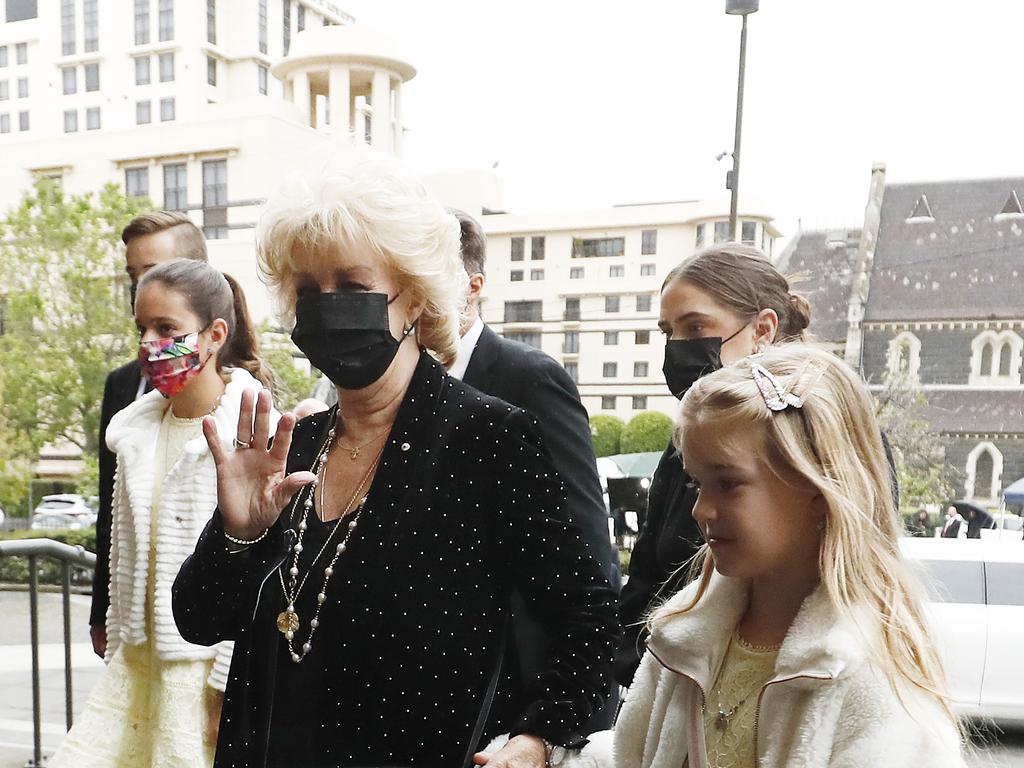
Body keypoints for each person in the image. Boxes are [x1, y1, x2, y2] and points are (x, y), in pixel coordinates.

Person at [171, 145, 618, 768]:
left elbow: (590, 620)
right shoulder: (293, 444)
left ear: (413, 296)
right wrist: (239, 536)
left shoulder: (488, 438)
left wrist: (538, 739)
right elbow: (197, 618)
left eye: (352, 285)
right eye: (307, 289)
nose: (327, 306)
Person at [614, 344, 965, 768]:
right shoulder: (681, 634)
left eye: (728, 483)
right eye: (695, 483)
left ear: (818, 488)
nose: (700, 510)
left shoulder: (875, 681)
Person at [53, 260, 277, 767]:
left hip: (198, 679)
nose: (150, 343)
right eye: (142, 329)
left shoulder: (249, 428)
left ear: (215, 334)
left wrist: (228, 686)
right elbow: (120, 555)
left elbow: (260, 572)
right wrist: (115, 647)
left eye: (167, 328)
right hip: (135, 667)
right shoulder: (134, 432)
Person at [449, 208, 621, 729]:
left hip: (518, 687)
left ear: (473, 286)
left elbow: (589, 552)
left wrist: (558, 714)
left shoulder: (529, 379)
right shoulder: (392, 390)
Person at [614, 244, 812, 687]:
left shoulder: (820, 437)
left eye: (696, 327)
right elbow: (647, 576)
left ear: (763, 329)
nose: (677, 348)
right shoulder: (681, 445)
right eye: (668, 332)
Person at [91, 211, 208, 659]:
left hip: (202, 631)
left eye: (154, 272)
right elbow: (111, 506)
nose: (141, 287)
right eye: (133, 275)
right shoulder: (122, 385)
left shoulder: (244, 388)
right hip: (134, 627)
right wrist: (101, 608)